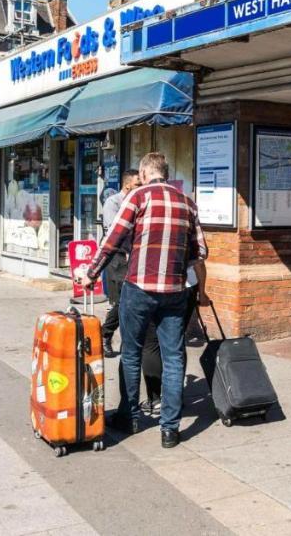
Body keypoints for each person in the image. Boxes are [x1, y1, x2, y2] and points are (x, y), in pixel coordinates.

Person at [79, 152, 209, 449]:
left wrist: (90, 273)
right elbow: (201, 251)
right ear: (165, 171)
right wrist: (175, 262)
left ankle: (131, 416)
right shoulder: (187, 202)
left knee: (132, 350)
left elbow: (112, 239)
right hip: (175, 291)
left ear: (144, 171)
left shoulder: (137, 198)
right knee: (174, 356)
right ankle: (170, 429)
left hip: (139, 287)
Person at [99, 169, 141, 357]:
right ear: (127, 185)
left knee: (132, 300)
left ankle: (129, 342)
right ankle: (105, 335)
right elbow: (115, 231)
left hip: (134, 255)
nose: (141, 187)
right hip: (117, 256)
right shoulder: (113, 202)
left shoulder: (140, 202)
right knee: (122, 300)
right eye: (138, 184)